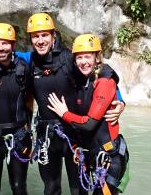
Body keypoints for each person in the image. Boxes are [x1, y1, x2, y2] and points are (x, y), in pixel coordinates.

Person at [26, 13, 125, 195]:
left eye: (44, 35)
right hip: (46, 135)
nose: (40, 40)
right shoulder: (30, 61)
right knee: (50, 188)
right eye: (35, 36)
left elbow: (101, 74)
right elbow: (8, 56)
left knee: (78, 189)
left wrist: (120, 102)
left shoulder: (69, 59)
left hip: (74, 134)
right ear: (31, 39)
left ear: (53, 35)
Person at [47, 34, 129, 195]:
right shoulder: (84, 78)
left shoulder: (105, 80)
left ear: (97, 57)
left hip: (109, 157)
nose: (83, 61)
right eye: (79, 57)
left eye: (87, 56)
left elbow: (90, 123)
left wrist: (65, 114)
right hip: (92, 155)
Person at [0, 23, 34, 195]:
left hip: (17, 137)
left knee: (19, 188)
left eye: (5, 43)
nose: (1, 48)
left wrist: (29, 127)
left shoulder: (23, 68)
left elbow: (31, 97)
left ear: (13, 45)